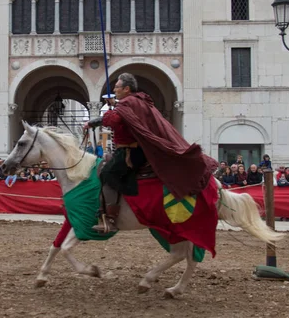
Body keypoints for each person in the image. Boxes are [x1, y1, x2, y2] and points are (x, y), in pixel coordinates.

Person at [83, 73, 217, 233]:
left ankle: (111, 219)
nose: (114, 89)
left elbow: (113, 121)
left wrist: (93, 121)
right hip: (134, 148)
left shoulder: (127, 103)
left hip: (131, 151)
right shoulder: (137, 101)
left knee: (107, 173)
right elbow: (124, 117)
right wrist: (116, 106)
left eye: (117, 87)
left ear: (126, 89)